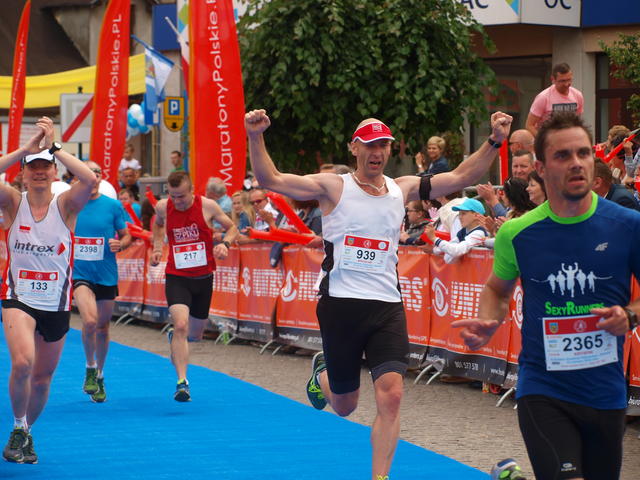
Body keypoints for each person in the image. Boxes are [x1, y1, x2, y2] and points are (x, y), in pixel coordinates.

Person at [244, 108, 512, 480]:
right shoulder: (333, 186)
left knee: (392, 395)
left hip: (387, 306)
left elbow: (462, 176)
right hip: (340, 305)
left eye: (384, 145)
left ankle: (380, 476)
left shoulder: (402, 188)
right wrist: (255, 135)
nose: (377, 152)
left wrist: (495, 140)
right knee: (345, 405)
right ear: (354, 148)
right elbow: (270, 178)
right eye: (370, 145)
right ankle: (322, 377)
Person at [452, 112, 638, 480]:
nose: (576, 163)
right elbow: (496, 289)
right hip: (543, 387)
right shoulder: (517, 233)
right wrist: (489, 319)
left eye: (583, 153)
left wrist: (630, 315)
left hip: (605, 392)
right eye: (562, 155)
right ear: (540, 168)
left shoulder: (627, 225)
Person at [0, 117, 97, 464]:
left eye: (45, 167)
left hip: (56, 302)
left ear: (55, 172)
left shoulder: (66, 204)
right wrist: (25, 149)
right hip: (18, 297)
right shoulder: (13, 202)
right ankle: (17, 425)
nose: (39, 172)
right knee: (23, 363)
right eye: (33, 167)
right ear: (23, 174)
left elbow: (90, 179)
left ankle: (25, 431)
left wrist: (55, 146)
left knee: (42, 379)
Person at [150, 171, 238, 402]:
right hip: (176, 276)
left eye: (181, 196)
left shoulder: (208, 206)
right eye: (173, 196)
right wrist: (157, 247)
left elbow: (232, 228)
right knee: (180, 324)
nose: (177, 201)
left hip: (203, 277)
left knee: (195, 335)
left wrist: (225, 244)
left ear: (191, 191)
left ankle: (176, 339)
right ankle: (182, 382)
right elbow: (158, 225)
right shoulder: (163, 206)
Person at [73, 162, 132, 403]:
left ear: (100, 178)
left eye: (96, 173)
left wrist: (121, 244)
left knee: (103, 327)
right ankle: (89, 367)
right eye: (87, 173)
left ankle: (99, 374)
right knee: (89, 321)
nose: (93, 177)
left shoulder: (113, 206)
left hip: (106, 274)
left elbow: (126, 235)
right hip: (80, 274)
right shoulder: (71, 203)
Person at [526, 63, 584, 137]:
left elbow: (578, 122)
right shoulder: (543, 97)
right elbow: (529, 125)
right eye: (562, 81)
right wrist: (543, 140)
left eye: (569, 80)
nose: (566, 84)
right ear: (553, 79)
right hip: (550, 139)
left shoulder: (577, 95)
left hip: (570, 139)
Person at [424, 198, 488, 263]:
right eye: (459, 214)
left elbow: (456, 251)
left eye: (463, 213)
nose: (460, 217)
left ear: (476, 215)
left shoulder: (479, 233)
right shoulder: (464, 231)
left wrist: (434, 239)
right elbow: (448, 258)